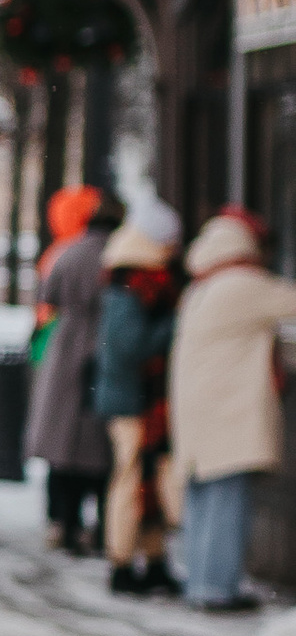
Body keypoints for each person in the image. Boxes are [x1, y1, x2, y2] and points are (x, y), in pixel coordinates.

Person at [169, 204, 296, 612]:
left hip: (199, 411)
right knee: (228, 502)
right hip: (228, 412)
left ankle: (201, 582)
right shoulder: (243, 283)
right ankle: (217, 590)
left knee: (204, 500)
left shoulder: (201, 286)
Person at [92, 196, 185, 598]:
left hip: (142, 401)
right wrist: (172, 327)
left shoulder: (136, 284)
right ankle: (122, 561)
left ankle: (152, 558)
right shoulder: (131, 287)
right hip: (133, 402)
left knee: (148, 481)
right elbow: (131, 346)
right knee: (131, 481)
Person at [23, 183, 115, 555]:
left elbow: (47, 298)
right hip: (104, 350)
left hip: (64, 351)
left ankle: (63, 520)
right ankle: (100, 528)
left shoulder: (66, 253)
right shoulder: (116, 256)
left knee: (62, 447)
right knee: (100, 450)